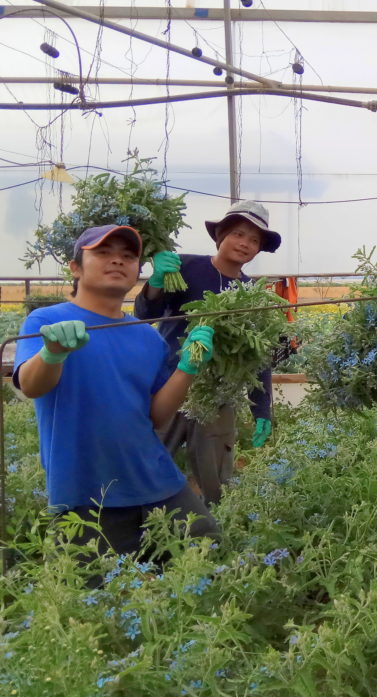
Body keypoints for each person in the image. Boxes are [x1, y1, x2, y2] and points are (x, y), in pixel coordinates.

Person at [14, 224, 219, 555]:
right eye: (103, 253)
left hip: (160, 483)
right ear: (76, 267)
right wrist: (52, 353)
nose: (117, 261)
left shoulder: (147, 336)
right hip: (87, 496)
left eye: (128, 256)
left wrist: (187, 367)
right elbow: (31, 385)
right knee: (97, 596)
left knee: (208, 561)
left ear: (138, 269)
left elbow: (155, 415)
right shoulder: (45, 321)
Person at [134, 200, 282, 504]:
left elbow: (258, 357)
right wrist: (156, 282)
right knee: (148, 464)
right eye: (239, 234)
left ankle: (213, 540)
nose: (245, 244)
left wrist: (262, 408)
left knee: (216, 479)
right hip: (169, 385)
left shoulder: (252, 294)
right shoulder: (184, 267)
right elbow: (144, 314)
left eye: (254, 240)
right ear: (221, 236)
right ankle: (141, 534)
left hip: (217, 396)